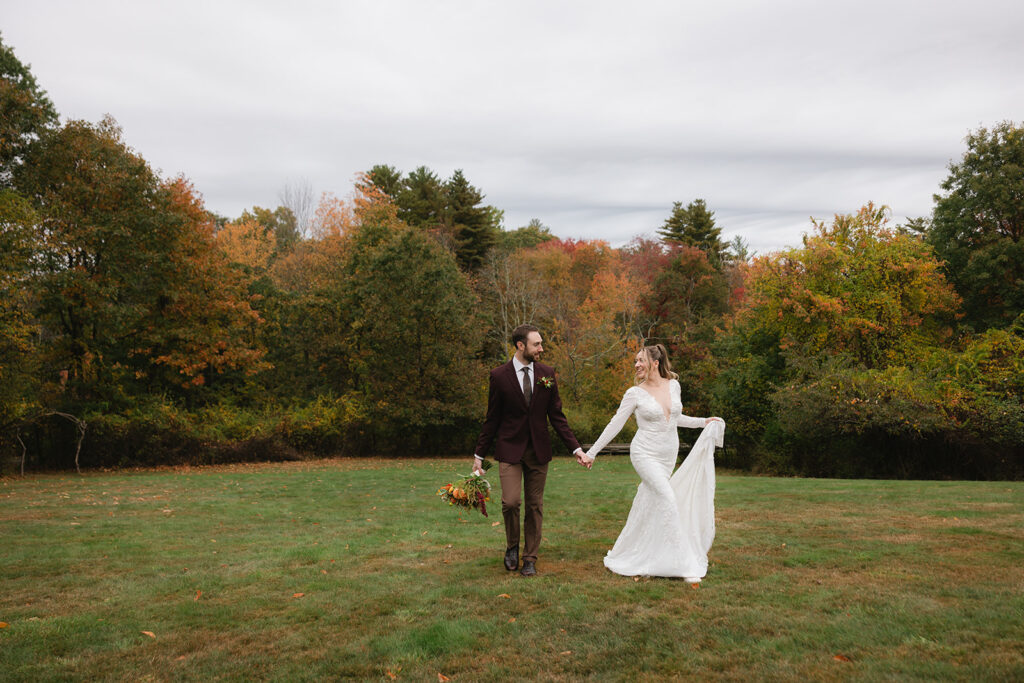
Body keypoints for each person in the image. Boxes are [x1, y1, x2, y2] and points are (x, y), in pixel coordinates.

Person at [581, 344, 724, 582]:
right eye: (635, 361)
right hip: (644, 453)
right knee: (668, 498)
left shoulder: (674, 385)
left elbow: (675, 418)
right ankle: (683, 565)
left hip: (667, 456)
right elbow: (615, 424)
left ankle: (635, 549)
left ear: (655, 363)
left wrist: (703, 422)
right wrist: (592, 453)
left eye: (641, 360)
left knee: (651, 501)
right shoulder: (634, 393)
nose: (636, 365)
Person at [472, 324, 588, 577]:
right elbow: (492, 418)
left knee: (534, 505)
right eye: (537, 344)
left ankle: (530, 558)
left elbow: (557, 416)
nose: (541, 348)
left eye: (541, 343)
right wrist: (479, 455)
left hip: (538, 450)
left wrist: (576, 449)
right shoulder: (499, 376)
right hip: (509, 449)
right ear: (520, 345)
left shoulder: (547, 374)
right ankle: (512, 546)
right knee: (510, 502)